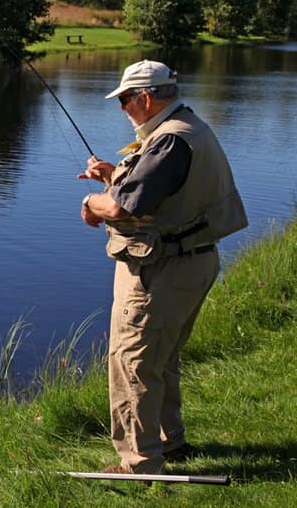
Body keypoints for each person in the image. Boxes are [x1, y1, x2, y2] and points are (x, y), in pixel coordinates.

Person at [78, 59, 247, 474]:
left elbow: (119, 206)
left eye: (125, 100)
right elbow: (162, 192)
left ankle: (139, 462)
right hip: (192, 263)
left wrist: (92, 203)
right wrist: (115, 175)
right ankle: (171, 443)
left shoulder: (168, 141)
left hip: (162, 271)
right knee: (162, 357)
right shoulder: (188, 127)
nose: (122, 108)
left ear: (147, 97)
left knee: (133, 362)